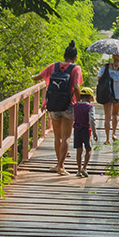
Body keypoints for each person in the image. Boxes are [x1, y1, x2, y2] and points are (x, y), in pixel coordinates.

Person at [33, 41, 82, 175]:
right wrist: (79, 103)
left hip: (53, 105)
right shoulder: (76, 69)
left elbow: (37, 78)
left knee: (57, 137)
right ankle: (61, 166)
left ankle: (57, 164)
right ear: (75, 58)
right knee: (66, 136)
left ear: (64, 55)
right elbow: (77, 87)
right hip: (69, 105)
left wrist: (31, 76)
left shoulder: (53, 66)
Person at [96, 53, 119, 145]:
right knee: (115, 114)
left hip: (106, 93)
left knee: (107, 116)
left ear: (112, 57)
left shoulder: (106, 67)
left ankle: (107, 138)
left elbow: (99, 78)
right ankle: (114, 134)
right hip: (118, 94)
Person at [72, 87, 99, 177]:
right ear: (90, 98)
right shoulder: (90, 107)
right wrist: (94, 133)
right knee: (88, 149)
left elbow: (72, 117)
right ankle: (85, 168)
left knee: (79, 150)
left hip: (76, 130)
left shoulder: (75, 106)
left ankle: (79, 170)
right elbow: (92, 119)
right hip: (86, 130)